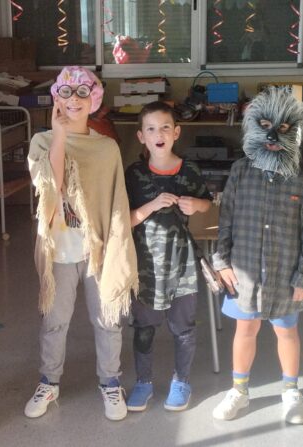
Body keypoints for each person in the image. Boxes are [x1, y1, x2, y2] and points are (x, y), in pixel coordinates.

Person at [23, 66, 138, 421]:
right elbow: (51, 186)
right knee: (54, 320)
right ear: (56, 98)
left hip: (98, 249)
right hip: (59, 249)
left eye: (83, 93)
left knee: (107, 319)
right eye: (67, 92)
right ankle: (49, 382)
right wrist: (59, 135)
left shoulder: (106, 148)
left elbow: (116, 203)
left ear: (94, 100)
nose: (74, 100)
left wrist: (117, 245)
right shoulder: (42, 142)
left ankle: (110, 382)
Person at [210, 87, 303, 425]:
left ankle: (291, 391)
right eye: (266, 127)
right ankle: (239, 391)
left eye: (283, 129)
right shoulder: (240, 171)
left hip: (285, 275)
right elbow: (226, 218)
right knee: (244, 330)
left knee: (286, 332)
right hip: (243, 272)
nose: (274, 137)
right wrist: (221, 261)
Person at [124, 101, 212, 412]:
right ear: (141, 137)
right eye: (151, 129)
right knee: (144, 326)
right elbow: (123, 220)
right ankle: (143, 382)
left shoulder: (190, 170)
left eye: (165, 128)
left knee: (183, 325)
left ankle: (181, 381)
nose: (158, 134)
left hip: (181, 262)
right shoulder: (134, 174)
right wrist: (151, 205)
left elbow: (207, 203)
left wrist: (196, 205)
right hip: (145, 263)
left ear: (176, 132)